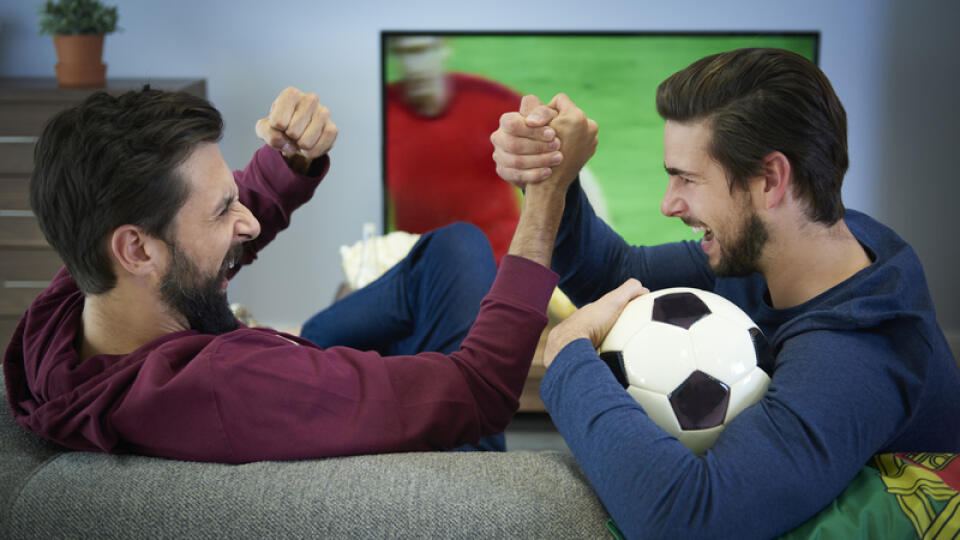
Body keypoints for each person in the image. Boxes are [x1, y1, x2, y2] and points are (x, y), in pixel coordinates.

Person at [490, 48, 960, 538]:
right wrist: (550, 170)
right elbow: (617, 271)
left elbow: (689, 519)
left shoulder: (859, 356)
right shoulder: (801, 246)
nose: (669, 203)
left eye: (687, 179)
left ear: (771, 180)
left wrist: (568, 358)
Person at [2, 85, 595, 464]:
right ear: (136, 250)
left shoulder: (60, 318)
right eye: (221, 211)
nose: (249, 225)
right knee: (463, 247)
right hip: (451, 436)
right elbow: (482, 391)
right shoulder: (235, 383)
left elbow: (189, 244)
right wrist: (547, 199)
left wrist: (289, 163)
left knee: (442, 259)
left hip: (298, 373)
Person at [386, 35, 529, 263]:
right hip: (425, 270)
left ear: (444, 49)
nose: (413, 66)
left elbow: (567, 172)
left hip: (502, 265)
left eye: (421, 50)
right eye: (403, 53)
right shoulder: (383, 112)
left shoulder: (492, 102)